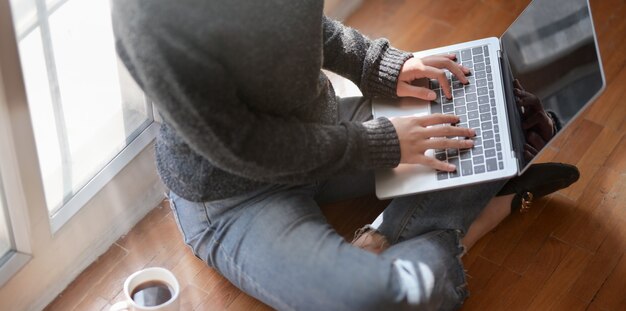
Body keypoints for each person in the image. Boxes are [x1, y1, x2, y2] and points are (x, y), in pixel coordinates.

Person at [112, 1, 578, 310]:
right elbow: (246, 146)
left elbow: (302, 26)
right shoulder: (151, 20)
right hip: (235, 194)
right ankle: (477, 219)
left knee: (488, 120)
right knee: (368, 300)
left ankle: (386, 237)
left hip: (324, 128)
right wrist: (384, 142)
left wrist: (380, 65)